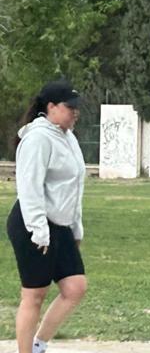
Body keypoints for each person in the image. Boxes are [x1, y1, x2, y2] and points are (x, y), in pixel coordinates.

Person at [6, 80, 87, 353]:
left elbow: (74, 186)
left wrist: (75, 228)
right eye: (69, 107)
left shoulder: (68, 137)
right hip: (33, 224)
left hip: (60, 225)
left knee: (75, 287)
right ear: (51, 107)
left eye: (76, 108)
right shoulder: (38, 138)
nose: (75, 112)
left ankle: (38, 345)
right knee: (34, 294)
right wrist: (39, 231)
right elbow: (29, 187)